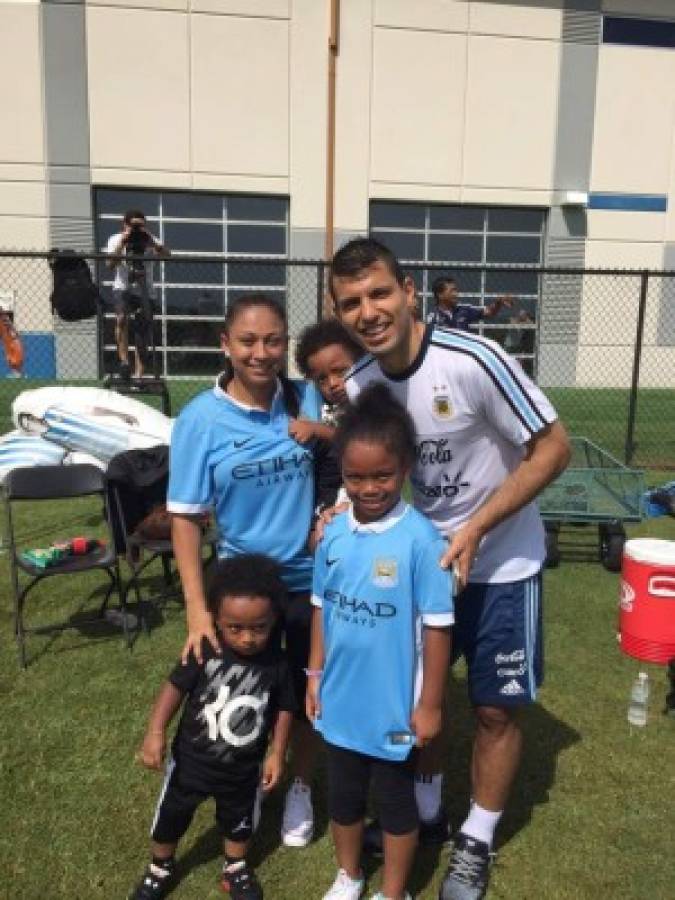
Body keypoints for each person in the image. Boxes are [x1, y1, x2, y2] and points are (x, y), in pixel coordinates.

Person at [330, 238, 571, 900]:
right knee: (416, 700)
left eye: (378, 293)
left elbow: (553, 448)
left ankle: (476, 838)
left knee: (493, 711)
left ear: (408, 292)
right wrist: (336, 513)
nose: (368, 311)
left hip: (503, 563)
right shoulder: (359, 385)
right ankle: (428, 813)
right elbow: (366, 469)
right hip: (421, 569)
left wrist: (474, 529)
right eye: (350, 302)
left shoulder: (475, 359)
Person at [167, 293, 324, 849]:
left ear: (286, 343)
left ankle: (300, 785)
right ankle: (248, 783)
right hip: (243, 589)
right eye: (248, 341)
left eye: (274, 340)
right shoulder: (199, 420)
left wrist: (335, 510)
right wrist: (196, 607)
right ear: (226, 345)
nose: (261, 353)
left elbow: (344, 460)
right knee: (244, 692)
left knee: (307, 690)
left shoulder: (305, 396)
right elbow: (185, 520)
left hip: (310, 579)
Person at [307, 383, 454, 900]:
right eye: (356, 477)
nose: (369, 488)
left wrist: (431, 703)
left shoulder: (422, 542)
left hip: (394, 707)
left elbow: (438, 627)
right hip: (340, 702)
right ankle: (349, 875)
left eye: (382, 476)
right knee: (344, 800)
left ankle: (394, 892)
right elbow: (321, 608)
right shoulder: (332, 533)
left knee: (394, 805)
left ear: (406, 469)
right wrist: (314, 674)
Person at [129, 555, 294, 900]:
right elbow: (174, 687)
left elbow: (284, 709)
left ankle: (234, 868)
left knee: (240, 821)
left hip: (244, 770)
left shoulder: (278, 663)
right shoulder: (206, 649)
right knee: (171, 816)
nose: (248, 638)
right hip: (190, 763)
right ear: (216, 620)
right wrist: (155, 732)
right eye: (235, 627)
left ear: (274, 619)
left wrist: (277, 752)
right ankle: (160, 866)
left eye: (259, 627)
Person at [105, 209, 170, 380]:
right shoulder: (116, 239)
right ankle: (124, 362)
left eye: (140, 225)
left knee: (143, 332)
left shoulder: (150, 239)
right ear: (124, 225)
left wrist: (153, 243)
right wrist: (123, 242)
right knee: (121, 319)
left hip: (146, 291)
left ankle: (139, 375)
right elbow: (110, 264)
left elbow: (167, 256)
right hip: (123, 288)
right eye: (133, 225)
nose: (136, 229)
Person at [431, 276, 513, 332]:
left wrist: (498, 303)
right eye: (452, 291)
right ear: (440, 295)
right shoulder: (432, 318)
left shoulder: (464, 309)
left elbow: (488, 312)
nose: (456, 294)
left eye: (456, 290)